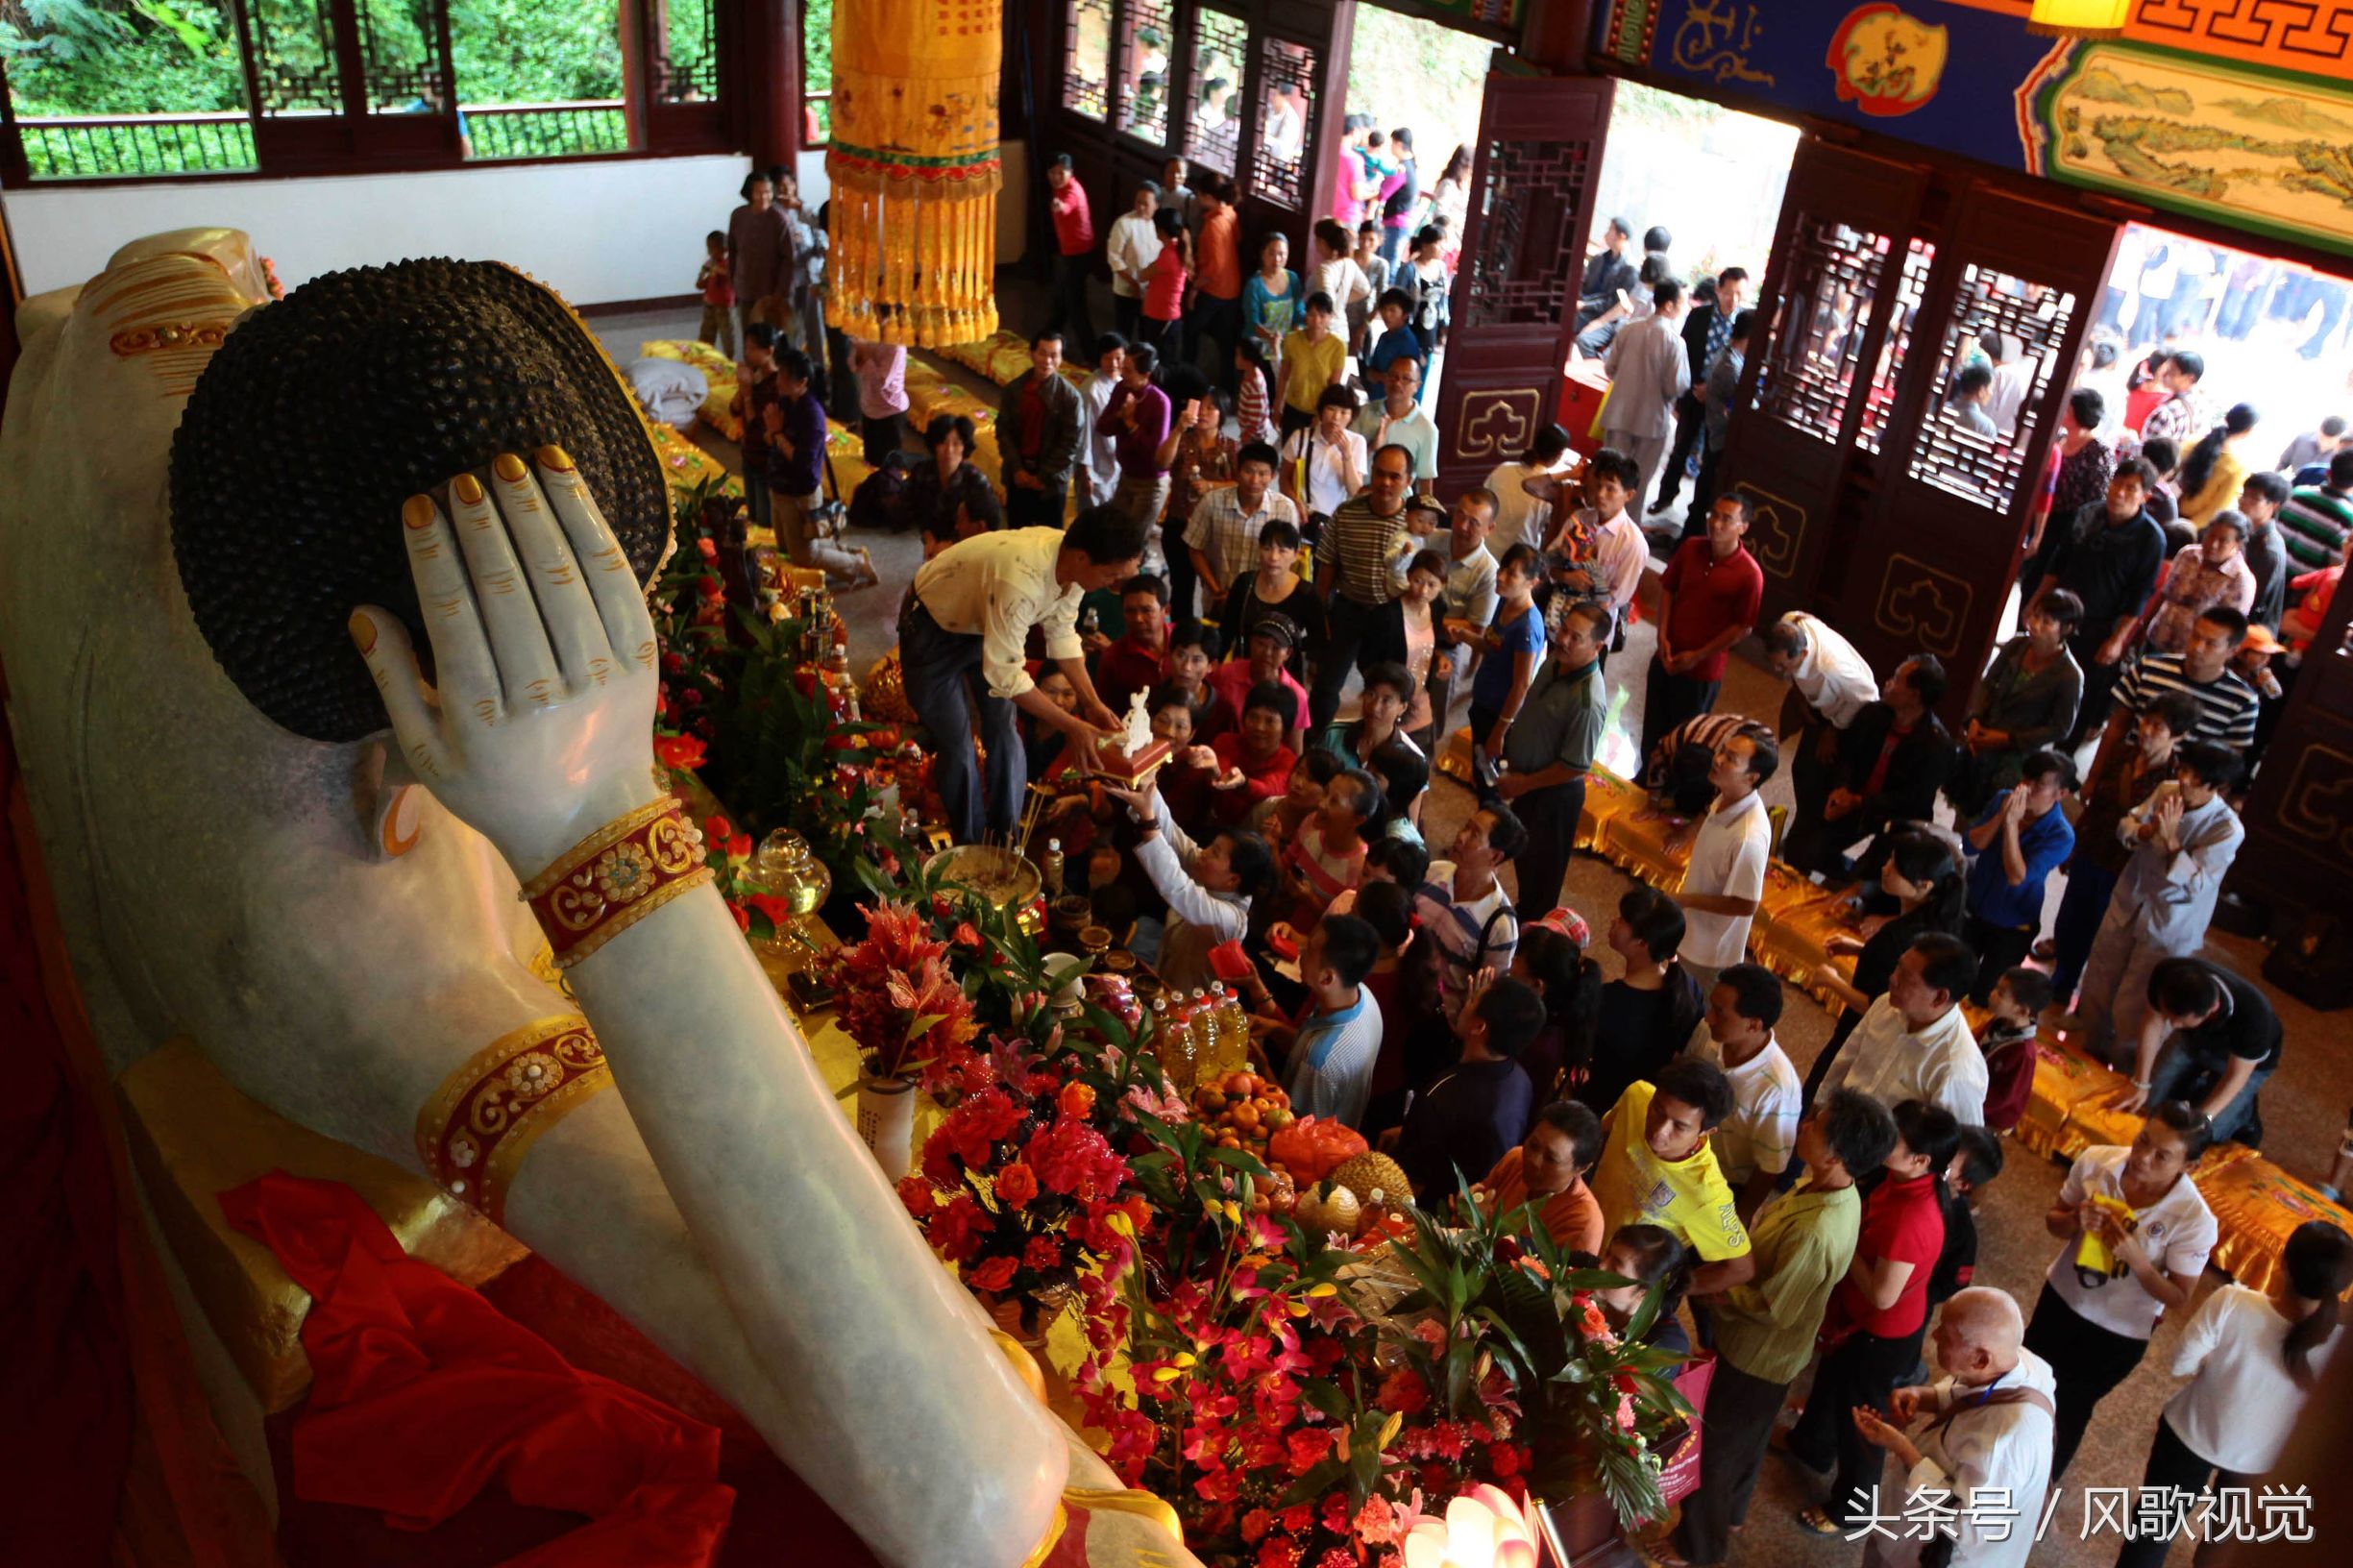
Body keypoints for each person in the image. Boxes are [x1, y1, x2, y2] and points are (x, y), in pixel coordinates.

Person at [1669, 1090, 1893, 1568]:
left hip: (1757, 1353)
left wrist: (1713, 1292)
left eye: (1816, 1122)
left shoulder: (1817, 1230)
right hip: (1768, 1352)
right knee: (1743, 1440)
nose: (1805, 1124)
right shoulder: (1831, 1188)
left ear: (1835, 1154)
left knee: (1713, 1451)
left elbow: (1774, 1307)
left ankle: (1697, 1548)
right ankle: (1730, 1513)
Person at [2114, 1219, 2353, 1568]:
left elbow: (2180, 1363)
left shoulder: (2233, 1301)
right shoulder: (2337, 1348)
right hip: (2260, 1463)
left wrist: (2217, 1362)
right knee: (2221, 1552)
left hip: (2189, 1435)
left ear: (2283, 1263)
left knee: (2152, 1535)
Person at [902, 506, 1141, 844]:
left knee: (1003, 729)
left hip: (983, 620)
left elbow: (1061, 633)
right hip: (932, 624)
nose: (1115, 587)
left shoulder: (1071, 567)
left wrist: (1092, 704)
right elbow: (1006, 676)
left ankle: (1005, 840)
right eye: (1113, 576)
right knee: (958, 743)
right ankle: (971, 847)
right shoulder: (1021, 579)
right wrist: (1071, 725)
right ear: (1084, 558)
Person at [2023, 1102, 2218, 1483]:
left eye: (2162, 1156)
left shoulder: (2194, 1220)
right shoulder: (2099, 1161)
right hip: (2061, 1298)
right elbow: (2053, 1222)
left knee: (2069, 1411)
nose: (2143, 1157)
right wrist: (2075, 1219)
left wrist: (2139, 1261)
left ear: (2189, 1166)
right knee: (2024, 1383)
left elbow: (2179, 1298)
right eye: (2143, 1140)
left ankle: (2036, 1497)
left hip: (2117, 1332)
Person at [1788, 1099, 1957, 1536]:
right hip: (1858, 1320)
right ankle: (1809, 1447)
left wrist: (1844, 1246)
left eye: (1893, 1137)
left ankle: (1853, 1507)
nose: (1881, 1137)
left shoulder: (1914, 1218)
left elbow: (1884, 1295)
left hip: (1880, 1334)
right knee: (1829, 1385)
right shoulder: (1897, 1181)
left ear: (1921, 1160)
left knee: (1861, 1423)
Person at [1850, 1288, 2057, 1568]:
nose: (1934, 1336)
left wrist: (1902, 1448)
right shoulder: (2023, 1364)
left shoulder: (2001, 1447)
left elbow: (1966, 1527)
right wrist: (1924, 1397)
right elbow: (1974, 1391)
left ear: (1981, 1359)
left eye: (1945, 1336)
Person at [2071, 740, 2245, 1059]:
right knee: (2100, 975)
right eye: (2185, 770)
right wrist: (2144, 832)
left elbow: (2198, 883)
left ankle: (2125, 1063)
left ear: (2217, 787)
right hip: (2131, 898)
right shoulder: (2167, 791)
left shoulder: (2226, 829)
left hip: (2171, 919)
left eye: (2194, 777)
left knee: (2139, 997)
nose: (2184, 781)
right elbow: (2128, 824)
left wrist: (2171, 845)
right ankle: (2090, 1044)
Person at [2048, 690, 2197, 1003]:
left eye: (2159, 727)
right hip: (2092, 850)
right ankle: (2060, 984)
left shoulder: (2173, 780)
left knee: (2102, 934)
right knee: (2069, 921)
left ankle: (2087, 999)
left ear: (2178, 736)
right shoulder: (2122, 755)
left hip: (2126, 869)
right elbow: (2094, 807)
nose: (2146, 730)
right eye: (2147, 721)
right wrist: (2075, 847)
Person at [1810, 829, 1969, 1093]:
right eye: (1890, 861)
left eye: (1896, 868)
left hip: (1870, 1031)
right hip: (1894, 1036)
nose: (1885, 869)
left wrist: (1832, 980)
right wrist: (1861, 949)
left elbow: (1879, 1004)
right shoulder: (1939, 921)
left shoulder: (1898, 936)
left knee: (1825, 1089)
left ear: (1923, 885)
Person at [1589, 1058, 1755, 1294]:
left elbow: (1741, 1268)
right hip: (1580, 1238)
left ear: (1706, 1132)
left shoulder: (1707, 1193)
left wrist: (1661, 1294)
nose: (1659, 1130)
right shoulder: (1636, 1096)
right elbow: (1602, 1138)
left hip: (1613, 1288)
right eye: (1657, 1109)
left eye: (1679, 1126)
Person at [2030, 459, 2166, 747]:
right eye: (2117, 483)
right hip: (2058, 615)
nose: (2119, 493)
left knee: (2083, 693)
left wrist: (2118, 640)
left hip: (2100, 627)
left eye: (2131, 489)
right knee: (2039, 675)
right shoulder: (2087, 512)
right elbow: (2058, 562)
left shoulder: (2151, 538)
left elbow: (2140, 595)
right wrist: (2037, 601)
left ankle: (2062, 758)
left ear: (2146, 496)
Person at [1788, 654, 1953, 878]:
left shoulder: (1936, 745)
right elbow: (1848, 757)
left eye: (1896, 679)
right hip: (1855, 802)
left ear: (1914, 696)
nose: (1888, 683)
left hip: (1895, 818)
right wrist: (1842, 788)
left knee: (1878, 877)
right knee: (1805, 847)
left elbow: (1912, 799)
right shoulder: (1874, 714)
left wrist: (1860, 802)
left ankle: (1854, 879)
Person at [1496, 599, 1607, 919]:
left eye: (1576, 638)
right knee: (1522, 858)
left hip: (1553, 795)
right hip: (1527, 782)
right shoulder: (1557, 660)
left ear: (1597, 647)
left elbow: (1574, 766)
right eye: (1564, 630)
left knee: (1540, 878)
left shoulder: (1588, 700)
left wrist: (1523, 784)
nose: (1563, 640)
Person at [1111, 780, 1272, 996]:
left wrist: (1148, 820)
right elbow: (1172, 834)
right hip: (1163, 972)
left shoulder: (1231, 919)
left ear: (1233, 880)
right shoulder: (1211, 874)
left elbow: (1178, 888)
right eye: (1210, 846)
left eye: (1215, 853)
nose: (1203, 853)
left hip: (1187, 1002)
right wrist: (1148, 785)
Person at [1394, 974, 1543, 1197]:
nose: (1466, 1004)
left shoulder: (1441, 1097)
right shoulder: (1520, 1080)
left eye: (1473, 1000)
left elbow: (1411, 1184)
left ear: (1479, 1027)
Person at [1820, 933, 1987, 1127]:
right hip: (1841, 1127)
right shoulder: (1887, 1004)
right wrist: (1820, 1106)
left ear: (1940, 997)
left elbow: (1961, 1143)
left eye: (1906, 977)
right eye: (1898, 967)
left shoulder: (1957, 1069)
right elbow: (1848, 1057)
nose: (1892, 978)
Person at [1642, 493, 1763, 760]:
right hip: (1666, 655)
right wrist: (1661, 636)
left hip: (1702, 671)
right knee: (1651, 731)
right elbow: (1668, 589)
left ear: (1743, 528)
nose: (1716, 524)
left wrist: (1697, 655)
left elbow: (1742, 627)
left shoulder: (1749, 574)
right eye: (1714, 515)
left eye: (1727, 519)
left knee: (1682, 741)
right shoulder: (1691, 548)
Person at [1311, 444, 1419, 733]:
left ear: (1408, 480)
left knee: (1389, 690)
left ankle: (1381, 743)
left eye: (1395, 477)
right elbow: (1327, 564)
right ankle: (1316, 742)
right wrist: (1321, 612)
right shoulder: (1346, 513)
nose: (1385, 483)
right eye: (1380, 474)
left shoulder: (1416, 523)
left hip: (1392, 617)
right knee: (1325, 687)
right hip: (1349, 609)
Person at [2119, 957, 2283, 1144]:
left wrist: (2202, 1119)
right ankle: (2191, 1088)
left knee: (2206, 1134)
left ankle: (2245, 1115)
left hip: (2245, 1064)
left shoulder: (2255, 1017)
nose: (2172, 1024)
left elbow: (2236, 1075)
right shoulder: (2168, 974)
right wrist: (2141, 1082)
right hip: (2193, 1040)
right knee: (2148, 1106)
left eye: (2179, 1020)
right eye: (2170, 1016)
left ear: (2213, 1009)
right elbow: (2153, 1021)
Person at [1667, 723, 1776, 996]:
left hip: (1710, 950)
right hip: (1691, 931)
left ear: (1751, 777)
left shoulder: (1749, 837)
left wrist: (1685, 900)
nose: (1717, 759)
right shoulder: (1726, 795)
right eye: (1722, 751)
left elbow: (1747, 903)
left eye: (1730, 759)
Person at [1764, 611, 1880, 860]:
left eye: (1783, 665)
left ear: (1804, 655)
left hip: (1849, 717)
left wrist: (1834, 730)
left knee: (1817, 779)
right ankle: (1801, 834)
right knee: (1803, 770)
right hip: (1822, 710)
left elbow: (1868, 696)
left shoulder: (1832, 669)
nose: (1777, 670)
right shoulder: (1792, 622)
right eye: (1773, 663)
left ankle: (1805, 845)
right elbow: (1799, 615)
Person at [1960, 748, 2076, 998]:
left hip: (2012, 926)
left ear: (2061, 794)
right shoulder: (2004, 799)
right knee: (1954, 979)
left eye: (2040, 785)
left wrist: (2012, 824)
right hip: (1975, 907)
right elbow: (1970, 846)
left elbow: (2017, 876)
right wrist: (2002, 816)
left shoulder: (2061, 835)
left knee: (1987, 995)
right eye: (2027, 778)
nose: (2027, 787)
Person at [1956, 591, 2084, 815]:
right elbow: (1987, 684)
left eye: (2047, 622)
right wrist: (1975, 719)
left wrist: (2008, 739)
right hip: (1984, 737)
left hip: (2019, 757)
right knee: (1964, 804)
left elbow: (2060, 728)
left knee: (1997, 813)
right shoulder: (2017, 645)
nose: (2035, 625)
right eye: (2035, 616)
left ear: (2066, 629)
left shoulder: (2069, 676)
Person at [1583, 886, 1707, 1116]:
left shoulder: (1608, 1001)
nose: (1613, 921)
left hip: (1609, 1107)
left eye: (1622, 920)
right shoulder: (1688, 987)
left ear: (1642, 943)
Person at [1691, 962, 1801, 1216]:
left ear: (1753, 1025)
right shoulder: (1709, 1033)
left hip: (1723, 1184)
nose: (1708, 1017)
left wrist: (1741, 1216)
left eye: (1719, 1012)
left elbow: (1769, 1168)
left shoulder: (1778, 1090)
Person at [1413, 805, 1526, 1025]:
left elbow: (1485, 996)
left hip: (1436, 1019)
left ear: (1495, 856)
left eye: (1474, 834)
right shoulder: (1434, 871)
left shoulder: (1500, 925)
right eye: (1466, 826)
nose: (1461, 836)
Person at [1654, 266, 1748, 518]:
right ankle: (1665, 497)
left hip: (1720, 402)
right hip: (1693, 393)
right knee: (1680, 447)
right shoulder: (1698, 316)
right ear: (1718, 290)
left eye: (1739, 294)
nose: (1733, 299)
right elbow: (1682, 353)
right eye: (1729, 293)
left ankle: (1698, 508)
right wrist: (1690, 388)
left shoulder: (1744, 323)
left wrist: (1713, 389)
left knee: (1711, 456)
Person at [1454, 543, 1546, 785]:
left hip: (1498, 713)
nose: (1501, 577)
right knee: (1479, 771)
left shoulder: (1528, 627)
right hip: (1483, 702)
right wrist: (1466, 637)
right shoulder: (1505, 603)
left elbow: (1521, 685)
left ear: (1532, 582)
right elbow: (1492, 646)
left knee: (1491, 780)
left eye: (1512, 573)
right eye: (1502, 569)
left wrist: (1500, 732)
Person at [1280, 914, 1385, 1127]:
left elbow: (1297, 1130)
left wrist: (1261, 1065)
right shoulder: (1363, 996)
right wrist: (1275, 1029)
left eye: (1308, 950)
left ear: (1326, 978)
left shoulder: (1320, 1061)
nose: (1300, 953)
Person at [1540, 447, 1649, 652]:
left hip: (1593, 634)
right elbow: (1548, 561)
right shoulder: (1579, 518)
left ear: (1629, 495)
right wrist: (1566, 576)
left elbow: (1620, 596)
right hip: (1559, 620)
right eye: (1598, 486)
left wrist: (1589, 588)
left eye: (1610, 489)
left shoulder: (1633, 543)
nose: (1600, 494)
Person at [1600, 279, 1692, 508]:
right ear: (1669, 305)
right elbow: (1676, 386)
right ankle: (1627, 531)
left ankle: (1600, 521)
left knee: (1609, 476)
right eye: (1683, 302)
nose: (1685, 307)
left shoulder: (1629, 329)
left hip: (1619, 414)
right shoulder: (1674, 342)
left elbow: (1610, 368)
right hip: (1651, 421)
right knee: (1636, 484)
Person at [2019, 388, 2116, 596]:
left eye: (2068, 410)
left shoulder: (2099, 453)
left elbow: (2097, 500)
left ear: (2080, 414)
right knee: (2027, 577)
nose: (2063, 412)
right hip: (2040, 516)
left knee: (2045, 579)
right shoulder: (2057, 438)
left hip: (2069, 525)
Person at [1478, 1100, 1607, 1254]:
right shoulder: (1515, 1159)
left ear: (1582, 1168)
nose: (1533, 1160)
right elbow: (1479, 1204)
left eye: (1550, 1159)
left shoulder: (1583, 1221)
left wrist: (1483, 1230)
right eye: (1533, 1145)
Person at [1188, 439, 1293, 607]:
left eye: (1263, 474)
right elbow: (1195, 548)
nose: (1254, 480)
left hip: (1264, 602)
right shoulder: (1212, 502)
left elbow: (1290, 556)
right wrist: (1217, 592)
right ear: (1237, 470)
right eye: (1248, 471)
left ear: (1273, 476)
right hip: (1218, 600)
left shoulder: (1285, 509)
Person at [1325, 661, 1429, 830]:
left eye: (1387, 700)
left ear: (1403, 707)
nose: (1374, 707)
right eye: (1371, 694)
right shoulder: (1334, 734)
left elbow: (1408, 821)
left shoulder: (1411, 759)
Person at [994, 331, 1083, 529]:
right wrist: (1017, 468)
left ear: (1061, 359)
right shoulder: (1014, 390)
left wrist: (1043, 477)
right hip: (1018, 476)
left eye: (1054, 355)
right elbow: (1003, 431)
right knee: (1016, 535)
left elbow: (1070, 443)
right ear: (1032, 354)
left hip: (1050, 483)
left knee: (1047, 542)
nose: (1048, 361)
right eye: (1043, 353)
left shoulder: (1070, 397)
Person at [1218, 522, 1323, 686]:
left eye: (1282, 550)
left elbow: (1319, 639)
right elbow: (1226, 630)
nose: (1274, 557)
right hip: (1244, 672)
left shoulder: (1306, 593)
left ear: (1296, 554)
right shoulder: (1244, 583)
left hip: (1285, 676)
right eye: (1267, 548)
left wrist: (1290, 647)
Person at [1508, 920, 1601, 1106]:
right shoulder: (1539, 1014)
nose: (1512, 963)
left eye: (1518, 959)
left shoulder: (1540, 1046)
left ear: (1538, 985)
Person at [1274, 767, 1379, 928]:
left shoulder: (1360, 868)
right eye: (1326, 792)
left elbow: (1343, 930)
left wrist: (1310, 901)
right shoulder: (1311, 824)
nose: (1321, 804)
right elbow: (1285, 864)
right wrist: (1272, 845)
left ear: (1357, 820)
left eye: (1334, 801)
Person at [1102, 343, 1178, 546]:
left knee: (1133, 541)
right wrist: (1120, 415)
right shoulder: (1121, 389)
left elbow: (1154, 452)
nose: (1121, 373)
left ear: (1146, 374)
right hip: (1126, 476)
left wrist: (1130, 423)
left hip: (1150, 484)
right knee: (1115, 531)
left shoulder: (1159, 402)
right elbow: (1103, 426)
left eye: (1128, 370)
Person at [1687, 307, 1754, 527]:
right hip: (1719, 436)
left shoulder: (1728, 354)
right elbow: (1743, 403)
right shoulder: (1730, 366)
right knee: (1707, 493)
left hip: (1715, 431)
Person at [1201, 613, 1309, 747]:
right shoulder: (1225, 674)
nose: (1267, 652)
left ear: (1288, 653)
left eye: (1276, 648)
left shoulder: (1297, 696)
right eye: (1261, 644)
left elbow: (1294, 750)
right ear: (1251, 642)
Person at [895, 412, 1000, 545]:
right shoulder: (922, 472)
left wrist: (951, 544)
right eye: (943, 443)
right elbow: (914, 508)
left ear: (964, 448)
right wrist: (928, 536)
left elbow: (989, 526)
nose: (949, 450)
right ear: (934, 446)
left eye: (956, 444)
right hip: (931, 541)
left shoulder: (976, 481)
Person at [1595, 1226, 1700, 1354]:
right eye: (1607, 1254)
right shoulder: (1589, 1268)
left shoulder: (1666, 1348)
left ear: (1645, 1293)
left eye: (1615, 1268)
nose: (1601, 1266)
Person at [1930, 1126, 2002, 1311]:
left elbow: (1952, 1285)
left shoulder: (1962, 1231)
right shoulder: (1908, 1178)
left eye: (1946, 1164)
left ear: (1963, 1184)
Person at [1278, 382, 1367, 527]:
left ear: (1352, 416)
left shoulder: (1357, 442)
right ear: (1321, 411)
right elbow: (1284, 478)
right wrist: (1295, 502)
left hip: (1334, 523)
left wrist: (1347, 456)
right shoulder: (1300, 437)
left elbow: (1355, 492)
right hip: (1300, 516)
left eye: (1344, 412)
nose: (1336, 417)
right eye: (1331, 409)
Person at [1975, 968, 2050, 1135]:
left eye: (2001, 994)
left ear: (2022, 1011)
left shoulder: (2023, 1053)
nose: (1992, 994)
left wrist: (1968, 1102)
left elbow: (2003, 1097)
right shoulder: (1999, 1023)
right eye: (1996, 988)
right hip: (1974, 1092)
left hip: (1990, 1116)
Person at [1483, 424, 1575, 558]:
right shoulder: (1549, 492)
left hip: (1487, 548)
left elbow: (1484, 499)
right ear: (1559, 455)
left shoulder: (1503, 469)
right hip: (1518, 561)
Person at [726, 168, 795, 346]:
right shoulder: (738, 215)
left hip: (771, 290)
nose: (764, 197)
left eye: (768, 192)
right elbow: (733, 251)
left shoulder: (779, 218)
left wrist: (781, 291)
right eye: (759, 192)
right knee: (749, 335)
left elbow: (789, 258)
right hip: (745, 286)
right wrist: (733, 280)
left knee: (771, 339)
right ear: (750, 193)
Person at [1352, 355, 1439, 493]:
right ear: (1385, 379)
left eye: (1406, 379)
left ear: (1417, 386)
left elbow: (1425, 480)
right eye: (1393, 376)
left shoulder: (1427, 429)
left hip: (1398, 506)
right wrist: (1372, 447)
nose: (1397, 383)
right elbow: (1344, 458)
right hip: (1359, 496)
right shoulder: (1363, 413)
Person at [1091, 574, 1172, 713]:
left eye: (1147, 610)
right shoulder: (1113, 658)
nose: (1138, 619)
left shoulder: (1186, 642)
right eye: (1130, 611)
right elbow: (1106, 712)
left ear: (1165, 611)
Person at [1189, 180, 1242, 381]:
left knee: (1191, 331)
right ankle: (1227, 385)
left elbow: (1214, 267)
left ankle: (1189, 376)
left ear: (1209, 197)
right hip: (1233, 287)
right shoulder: (1230, 213)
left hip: (1214, 290)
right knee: (1226, 341)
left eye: (1200, 196)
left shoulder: (1213, 225)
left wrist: (1195, 289)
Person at [731, 322, 782, 532]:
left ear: (769, 351)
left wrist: (749, 393)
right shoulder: (754, 374)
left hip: (765, 459)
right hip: (749, 454)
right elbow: (733, 410)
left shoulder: (777, 384)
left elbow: (758, 427)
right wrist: (742, 390)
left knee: (765, 522)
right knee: (751, 516)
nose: (747, 353)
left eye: (753, 348)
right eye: (746, 347)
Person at [1274, 292, 1347, 438]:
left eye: (1322, 316)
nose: (1317, 321)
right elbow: (1283, 376)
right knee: (1290, 453)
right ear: (1306, 315)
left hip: (1318, 412)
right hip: (1293, 408)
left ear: (1330, 317)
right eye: (1312, 314)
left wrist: (1322, 415)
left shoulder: (1338, 347)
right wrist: (1277, 407)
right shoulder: (1291, 340)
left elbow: (1333, 386)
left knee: (1310, 456)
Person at [1042, 154, 1096, 348]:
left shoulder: (1072, 190)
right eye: (1052, 172)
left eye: (1061, 172)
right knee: (1062, 302)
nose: (1056, 177)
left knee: (1075, 306)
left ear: (1070, 173)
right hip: (1070, 253)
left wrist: (1060, 207)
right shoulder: (1061, 188)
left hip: (1077, 255)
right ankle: (1048, 340)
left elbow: (1067, 205)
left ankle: (1091, 354)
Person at [2178, 402, 2261, 525]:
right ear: (2249, 430)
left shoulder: (2192, 442)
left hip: (2162, 510)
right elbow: (2215, 511)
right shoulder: (2236, 468)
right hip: (2189, 527)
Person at [1105, 180, 1162, 340]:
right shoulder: (1124, 224)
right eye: (1138, 202)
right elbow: (1114, 258)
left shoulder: (1156, 225)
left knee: (1146, 334)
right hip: (1127, 291)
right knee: (1124, 335)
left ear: (1156, 205)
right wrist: (1134, 284)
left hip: (1148, 292)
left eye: (1146, 204)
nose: (1140, 208)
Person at [1076, 332, 1127, 509]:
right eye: (1107, 358)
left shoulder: (1122, 383)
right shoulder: (1091, 391)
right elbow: (1085, 435)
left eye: (1118, 358)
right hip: (1096, 468)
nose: (1113, 364)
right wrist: (1086, 473)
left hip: (1115, 464)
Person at [2237, 470, 2292, 629]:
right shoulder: (2244, 530)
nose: (2244, 501)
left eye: (2254, 498)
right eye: (2244, 494)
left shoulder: (2268, 550)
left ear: (2274, 506)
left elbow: (2252, 602)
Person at [2280, 447, 2353, 569]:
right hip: (2303, 584)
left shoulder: (2297, 493)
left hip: (2272, 572)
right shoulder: (2347, 518)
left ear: (2328, 473)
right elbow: (2334, 566)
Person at [1139, 207, 1190, 362]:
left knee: (1155, 360)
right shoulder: (1178, 250)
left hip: (1160, 316)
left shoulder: (1168, 255)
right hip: (1167, 315)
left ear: (1160, 230)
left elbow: (1143, 275)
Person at [1242, 231, 1301, 367]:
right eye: (1272, 253)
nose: (1277, 259)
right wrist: (1271, 338)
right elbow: (1252, 322)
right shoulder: (1254, 285)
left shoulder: (1293, 279)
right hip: (1259, 349)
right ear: (1263, 254)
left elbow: (1299, 311)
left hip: (1286, 348)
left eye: (1282, 254)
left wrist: (1296, 333)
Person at [848, 337, 910, 466]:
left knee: (887, 466)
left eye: (876, 316)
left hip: (890, 412)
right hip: (869, 406)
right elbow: (853, 366)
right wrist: (859, 351)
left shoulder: (896, 347)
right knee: (870, 461)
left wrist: (865, 352)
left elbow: (881, 381)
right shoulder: (871, 334)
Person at [1574, 216, 1638, 336]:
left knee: (1567, 319)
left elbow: (1613, 302)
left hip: (1603, 316)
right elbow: (1585, 285)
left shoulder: (1630, 269)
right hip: (1583, 305)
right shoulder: (1600, 258)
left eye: (1610, 229)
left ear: (1621, 236)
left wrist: (1584, 305)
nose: (1606, 234)